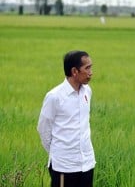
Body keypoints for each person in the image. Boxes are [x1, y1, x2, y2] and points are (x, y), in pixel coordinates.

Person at [37, 50, 95, 187]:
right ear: (74, 71)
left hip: (87, 163)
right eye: (87, 68)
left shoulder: (87, 91)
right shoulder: (55, 96)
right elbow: (43, 129)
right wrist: (58, 152)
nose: (91, 72)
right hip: (64, 167)